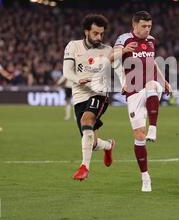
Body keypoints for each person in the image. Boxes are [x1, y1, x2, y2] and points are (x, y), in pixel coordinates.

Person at [112, 11, 172, 192]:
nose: (147, 30)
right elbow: (111, 60)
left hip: (150, 86)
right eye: (144, 26)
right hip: (133, 90)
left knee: (152, 85)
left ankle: (153, 128)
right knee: (139, 135)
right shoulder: (123, 39)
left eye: (149, 26)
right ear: (135, 25)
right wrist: (123, 52)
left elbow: (152, 62)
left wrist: (164, 81)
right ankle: (145, 177)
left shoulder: (151, 40)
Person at [63, 14, 115, 181]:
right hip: (79, 96)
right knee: (91, 142)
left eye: (101, 33)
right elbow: (67, 71)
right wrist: (79, 79)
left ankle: (84, 167)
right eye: (95, 33)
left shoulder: (107, 50)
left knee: (86, 120)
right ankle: (108, 145)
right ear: (86, 31)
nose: (99, 37)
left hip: (99, 93)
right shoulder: (73, 46)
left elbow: (120, 67)